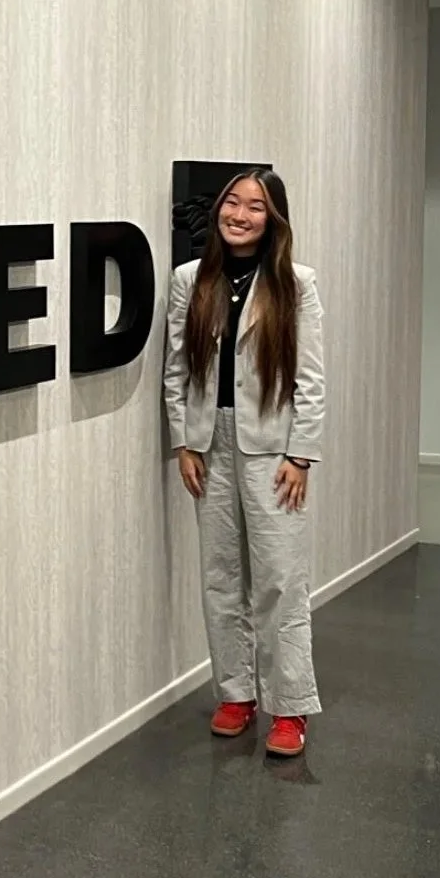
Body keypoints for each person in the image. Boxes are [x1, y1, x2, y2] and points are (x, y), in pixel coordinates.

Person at [163, 169, 325, 758]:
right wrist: (185, 440)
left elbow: (310, 379)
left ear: (273, 217)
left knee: (280, 581)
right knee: (221, 576)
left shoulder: (295, 284)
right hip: (211, 444)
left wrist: (301, 454)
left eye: (255, 206)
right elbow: (177, 368)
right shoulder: (190, 280)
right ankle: (235, 693)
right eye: (232, 202)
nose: (240, 214)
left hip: (273, 448)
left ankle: (290, 707)